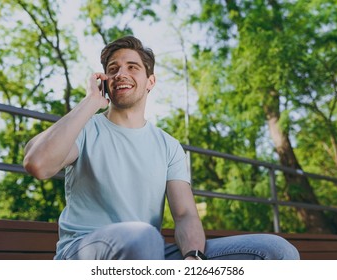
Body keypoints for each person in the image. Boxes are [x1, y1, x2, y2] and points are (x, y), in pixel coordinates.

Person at [23, 36, 299, 260]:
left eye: (132, 67)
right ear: (104, 81)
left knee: (275, 251)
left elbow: (185, 214)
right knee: (142, 237)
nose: (121, 73)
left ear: (150, 82)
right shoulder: (84, 128)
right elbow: (38, 164)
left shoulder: (168, 146)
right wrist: (91, 101)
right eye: (113, 69)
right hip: (84, 253)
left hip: (148, 254)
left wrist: (192, 258)